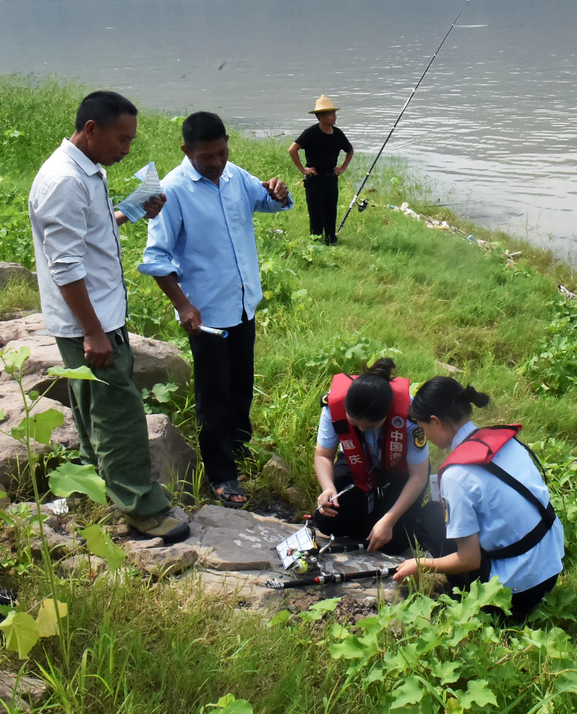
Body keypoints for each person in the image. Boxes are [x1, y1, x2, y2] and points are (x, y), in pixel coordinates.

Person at [28, 91, 189, 543]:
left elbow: (90, 232)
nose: (127, 150)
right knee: (119, 417)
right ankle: (145, 511)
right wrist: (94, 332)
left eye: (131, 141)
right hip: (90, 322)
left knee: (92, 414)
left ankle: (91, 488)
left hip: (95, 319)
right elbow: (65, 265)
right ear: (92, 129)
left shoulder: (86, 169)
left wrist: (131, 209)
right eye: (122, 139)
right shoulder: (64, 180)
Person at [139, 111, 293, 506]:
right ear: (186, 151)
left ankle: (239, 450)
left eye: (222, 152)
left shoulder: (234, 175)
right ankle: (222, 476)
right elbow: (156, 258)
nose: (216, 162)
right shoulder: (171, 191)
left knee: (241, 384)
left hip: (242, 305)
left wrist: (278, 191)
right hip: (205, 316)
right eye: (207, 157)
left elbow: (269, 202)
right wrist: (184, 306)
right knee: (214, 395)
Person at [393, 377, 564, 623]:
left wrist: (422, 565)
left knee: (428, 519)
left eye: (423, 427)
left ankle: (467, 603)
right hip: (550, 568)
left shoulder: (455, 475)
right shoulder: (501, 440)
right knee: (438, 515)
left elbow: (469, 559)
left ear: (436, 422)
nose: (425, 436)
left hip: (513, 596)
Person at [313, 358, 443, 554]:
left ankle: (405, 518)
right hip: (357, 464)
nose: (363, 429)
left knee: (394, 543)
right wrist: (328, 487)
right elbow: (323, 455)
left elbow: (418, 476)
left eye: (371, 426)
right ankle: (371, 515)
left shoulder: (409, 417)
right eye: (355, 423)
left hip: (401, 471)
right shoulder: (334, 407)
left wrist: (389, 520)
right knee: (327, 522)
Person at [288, 95, 353, 246]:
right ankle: (315, 242)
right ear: (320, 117)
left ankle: (331, 240)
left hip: (331, 177)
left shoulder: (338, 134)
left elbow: (349, 150)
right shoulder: (311, 133)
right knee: (316, 212)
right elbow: (293, 150)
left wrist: (342, 168)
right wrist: (303, 169)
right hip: (315, 178)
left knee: (331, 210)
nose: (334, 116)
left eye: (334, 113)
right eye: (330, 114)